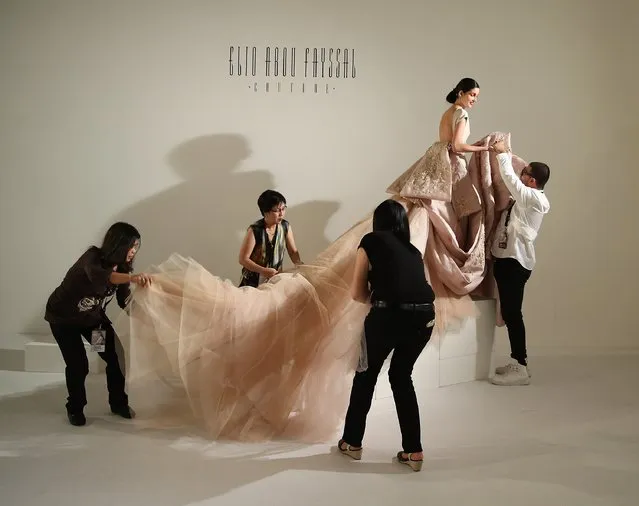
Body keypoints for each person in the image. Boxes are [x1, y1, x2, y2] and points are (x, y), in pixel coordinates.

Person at [123, 78, 515, 442]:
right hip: (388, 300)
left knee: (372, 374)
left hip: (381, 295)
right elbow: (457, 147)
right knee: (395, 377)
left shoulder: (365, 238)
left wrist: (306, 273)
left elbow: (319, 266)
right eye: (473, 96)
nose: (473, 102)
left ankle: (358, 442)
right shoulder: (459, 119)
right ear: (462, 96)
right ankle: (407, 447)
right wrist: (486, 148)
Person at [337, 200, 436, 472]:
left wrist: (380, 298)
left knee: (366, 375)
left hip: (389, 316)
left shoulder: (370, 240)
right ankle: (414, 452)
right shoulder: (413, 251)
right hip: (426, 316)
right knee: (402, 376)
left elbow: (357, 294)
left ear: (378, 221)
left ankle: (352, 443)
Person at [44, 222, 152, 426]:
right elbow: (105, 278)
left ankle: (118, 403)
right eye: (131, 246)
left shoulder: (123, 268)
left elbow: (124, 300)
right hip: (63, 321)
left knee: (114, 356)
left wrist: (146, 317)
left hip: (91, 321)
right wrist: (133, 278)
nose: (133, 251)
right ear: (119, 244)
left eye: (137, 247)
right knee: (78, 365)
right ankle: (75, 408)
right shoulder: (92, 258)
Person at [488, 140, 550, 386]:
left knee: (513, 313)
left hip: (516, 263)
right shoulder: (525, 199)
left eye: (524, 173)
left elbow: (511, 181)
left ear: (532, 180)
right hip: (506, 261)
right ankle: (517, 361)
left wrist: (503, 155)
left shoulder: (535, 200)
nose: (520, 175)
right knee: (510, 311)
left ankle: (521, 366)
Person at [238, 190, 303, 287]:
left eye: (283, 209)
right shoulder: (255, 230)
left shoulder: (285, 226)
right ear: (266, 212)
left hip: (275, 281)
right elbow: (243, 259)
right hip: (253, 283)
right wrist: (263, 270)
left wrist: (300, 266)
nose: (281, 213)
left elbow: (293, 252)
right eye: (277, 210)